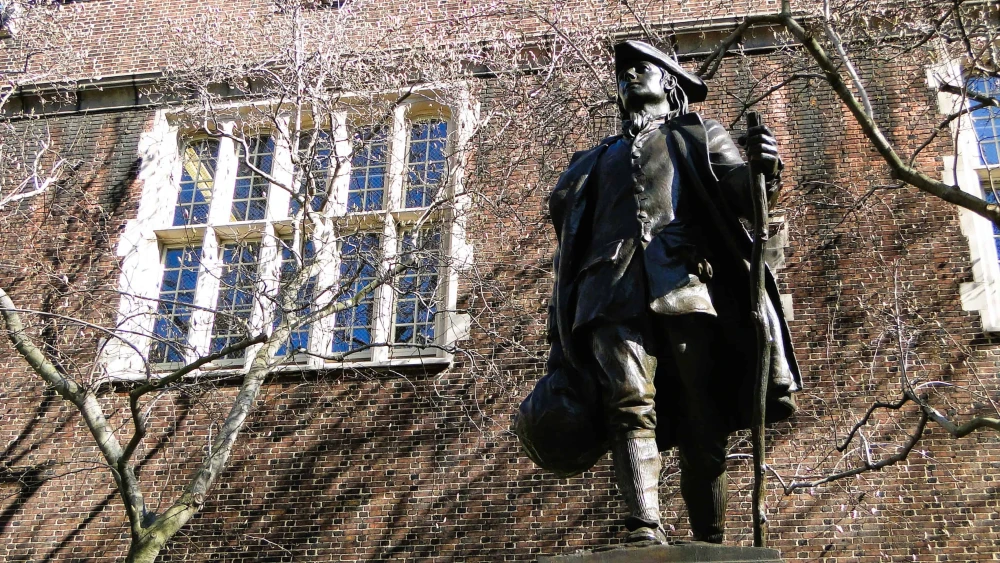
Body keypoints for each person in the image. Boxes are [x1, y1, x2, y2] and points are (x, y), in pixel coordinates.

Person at [541, 40, 801, 545]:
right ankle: (643, 526)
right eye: (624, 72)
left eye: (642, 68)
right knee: (628, 401)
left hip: (684, 284)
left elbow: (743, 197)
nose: (629, 76)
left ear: (670, 83)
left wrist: (764, 171)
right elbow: (568, 241)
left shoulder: (698, 135)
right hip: (607, 293)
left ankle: (709, 538)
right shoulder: (592, 162)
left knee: (703, 419)